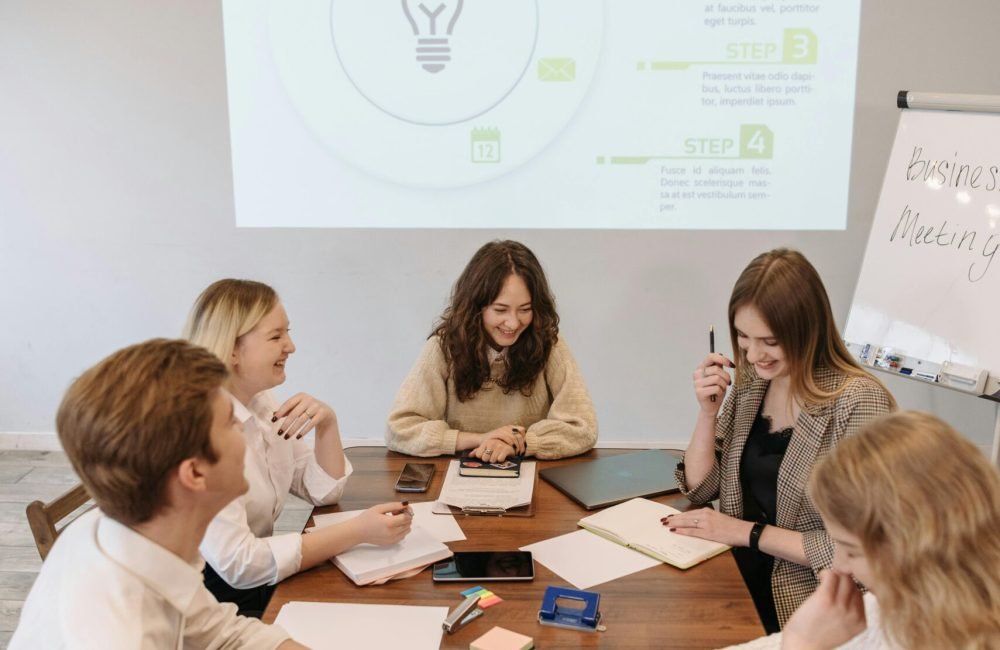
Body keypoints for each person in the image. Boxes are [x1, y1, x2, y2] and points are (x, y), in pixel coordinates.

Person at [10, 339, 304, 649]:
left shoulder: (125, 533)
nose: (245, 429)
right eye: (231, 422)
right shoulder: (121, 635)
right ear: (194, 473)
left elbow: (219, 633)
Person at [666, 248, 895, 631]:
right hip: (733, 572)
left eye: (769, 341)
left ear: (807, 330)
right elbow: (701, 488)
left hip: (809, 599)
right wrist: (707, 414)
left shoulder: (859, 401)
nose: (753, 354)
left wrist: (747, 533)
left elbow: (866, 551)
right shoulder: (755, 382)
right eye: (742, 336)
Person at [185, 279, 412, 616]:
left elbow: (321, 492)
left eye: (287, 333)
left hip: (259, 582)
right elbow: (240, 565)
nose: (291, 346)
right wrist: (357, 532)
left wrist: (328, 424)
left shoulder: (261, 402)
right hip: (211, 602)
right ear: (232, 349)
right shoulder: (200, 432)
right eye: (276, 336)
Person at [726, 411, 1000, 649]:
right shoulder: (894, 601)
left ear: (919, 545)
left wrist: (802, 645)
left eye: (853, 552)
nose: (837, 566)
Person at [386, 240, 597, 461]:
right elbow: (398, 431)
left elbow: (583, 427)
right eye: (500, 310)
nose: (513, 323)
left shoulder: (550, 346)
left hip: (531, 477)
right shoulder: (443, 347)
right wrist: (480, 439)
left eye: (525, 309)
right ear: (476, 307)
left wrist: (520, 444)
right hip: (459, 476)